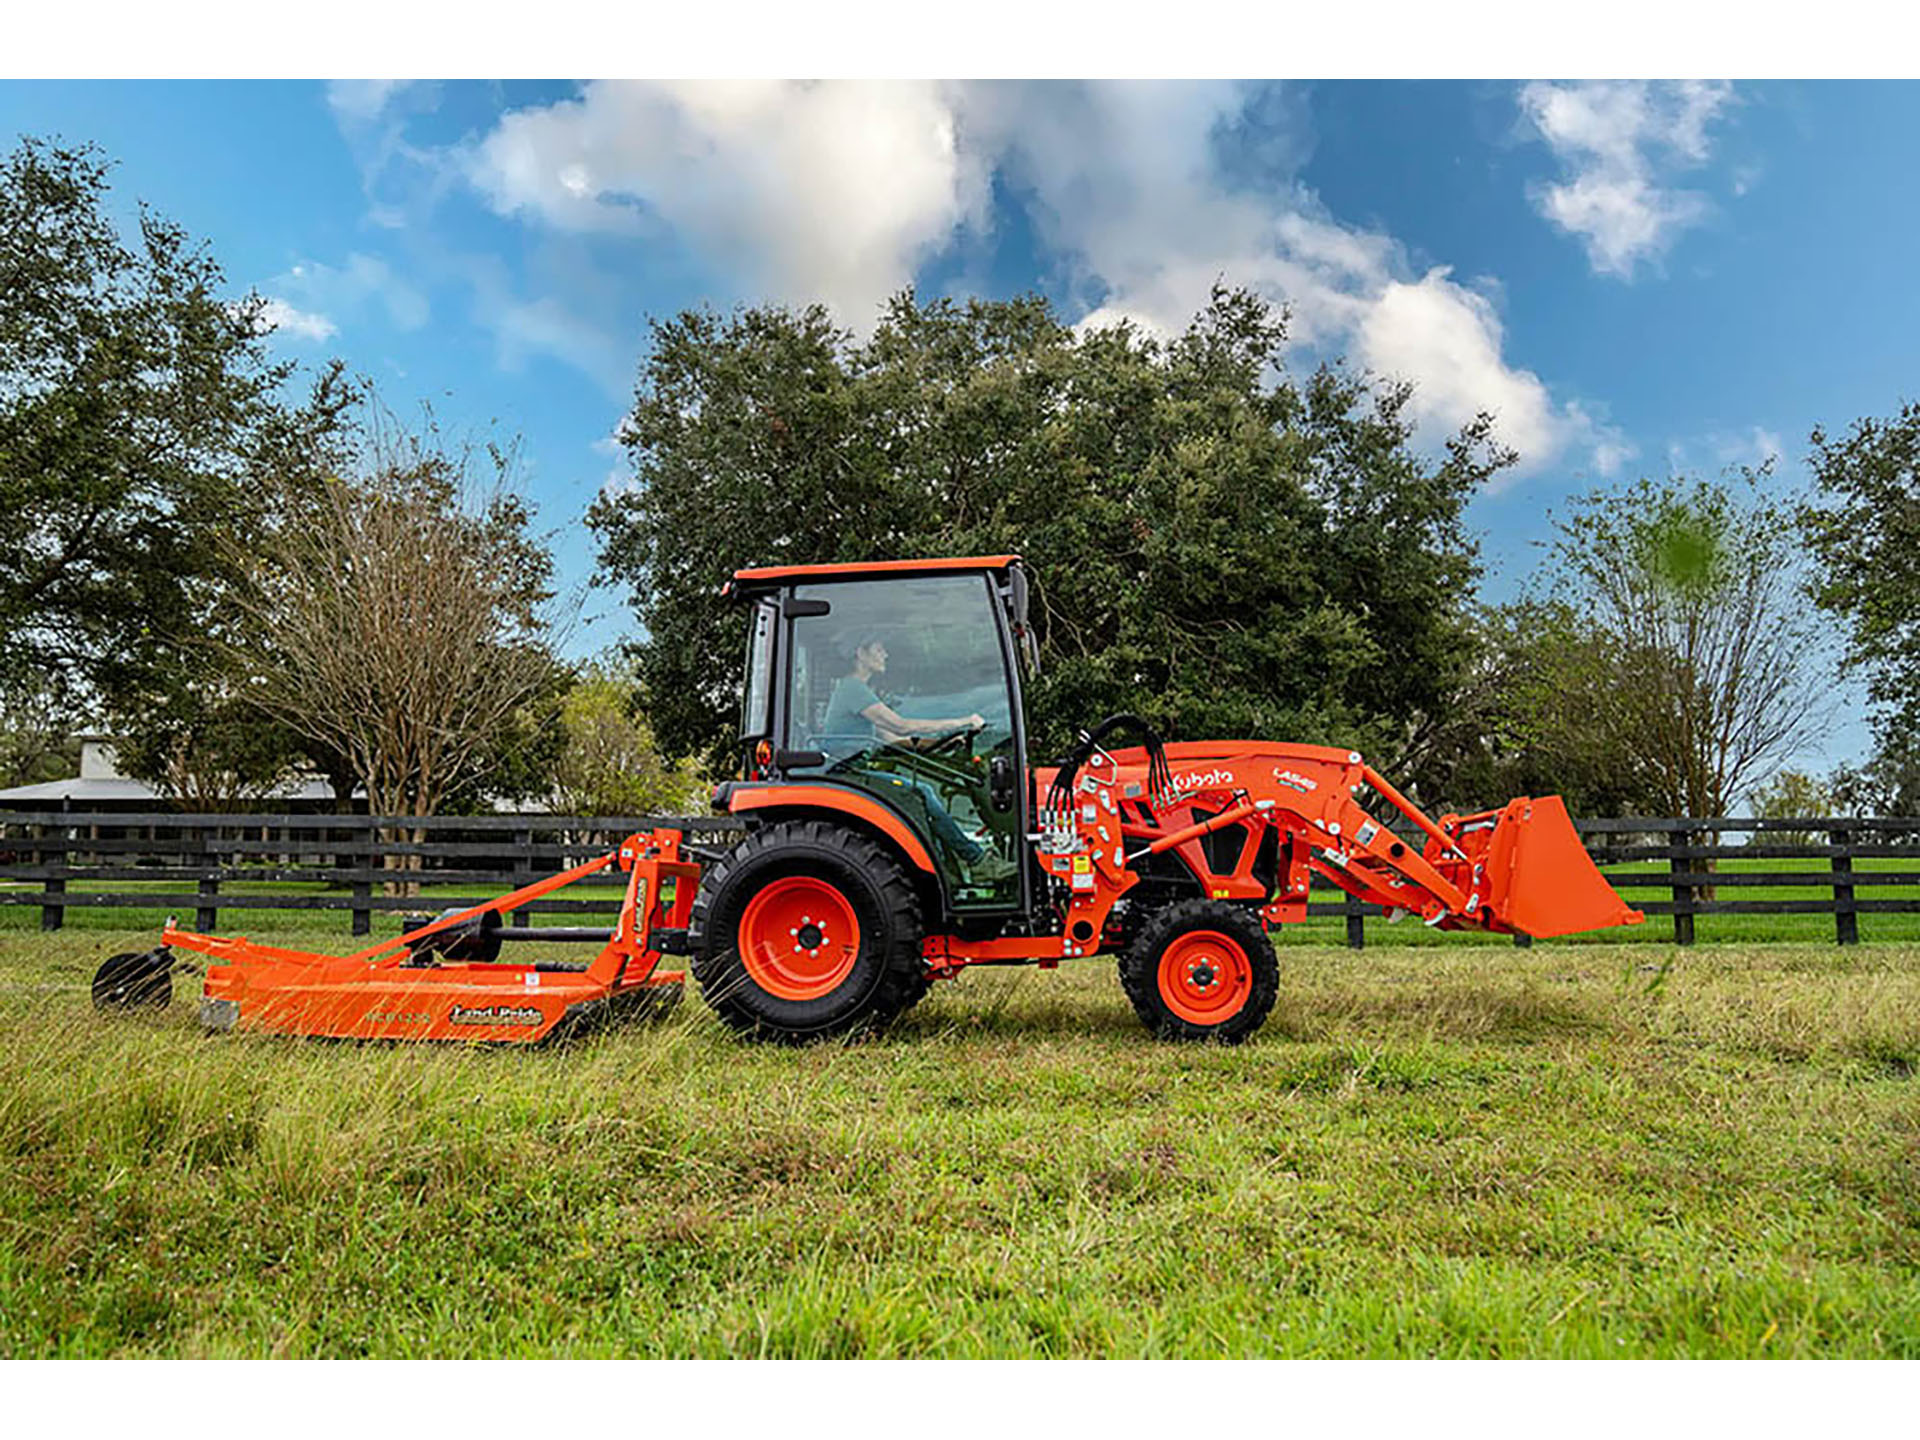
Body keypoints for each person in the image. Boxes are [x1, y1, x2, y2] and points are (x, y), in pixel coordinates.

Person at [822, 637, 1013, 883]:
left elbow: (893, 739)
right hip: (846, 773)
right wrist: (963, 721)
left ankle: (958, 867)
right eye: (880, 649)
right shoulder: (853, 688)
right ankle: (975, 861)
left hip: (854, 771)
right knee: (920, 792)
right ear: (861, 653)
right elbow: (900, 726)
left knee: (921, 792)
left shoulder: (858, 693)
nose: (886, 655)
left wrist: (940, 743)